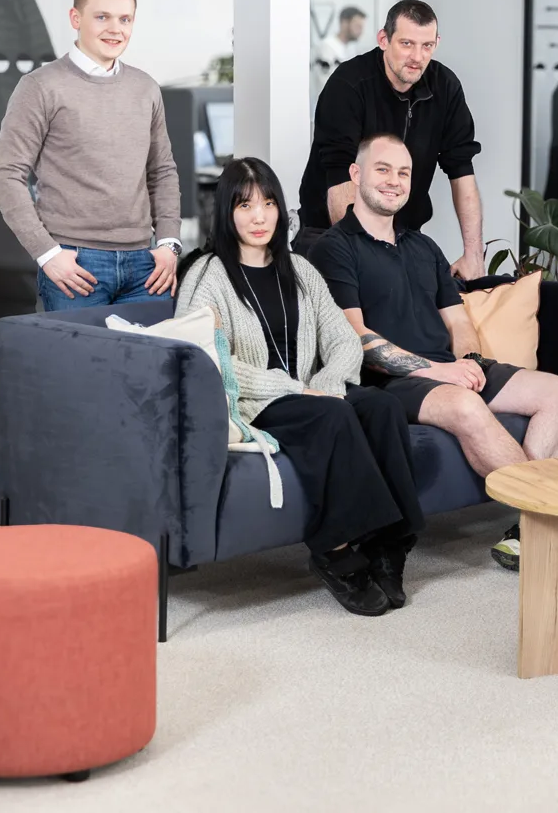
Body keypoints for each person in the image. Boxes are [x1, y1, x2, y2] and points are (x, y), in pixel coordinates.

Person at [307, 133, 558, 572]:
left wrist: (468, 361)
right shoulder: (334, 248)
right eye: (383, 169)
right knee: (468, 408)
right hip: (389, 382)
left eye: (403, 172)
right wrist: (440, 372)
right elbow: (356, 338)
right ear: (356, 175)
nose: (394, 181)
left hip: (448, 369)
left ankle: (530, 530)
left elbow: (457, 321)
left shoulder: (423, 246)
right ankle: (550, 519)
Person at [177, 158, 424, 617]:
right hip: (255, 402)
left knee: (382, 408)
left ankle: (390, 547)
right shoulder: (207, 276)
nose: (259, 216)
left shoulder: (301, 271)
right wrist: (290, 388)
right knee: (333, 416)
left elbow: (344, 340)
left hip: (313, 393)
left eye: (268, 204)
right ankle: (336, 552)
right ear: (226, 213)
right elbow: (205, 357)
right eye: (245, 205)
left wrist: (328, 382)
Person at [0, 0, 181, 310]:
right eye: (102, 17)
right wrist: (47, 254)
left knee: (145, 364)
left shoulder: (146, 88)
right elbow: (6, 176)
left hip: (145, 266)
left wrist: (169, 243)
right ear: (75, 18)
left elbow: (162, 171)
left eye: (125, 19)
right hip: (74, 266)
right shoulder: (40, 87)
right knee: (78, 364)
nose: (115, 29)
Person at [296, 0, 486, 282]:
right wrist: (365, 260)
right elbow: (340, 182)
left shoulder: (445, 87)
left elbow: (462, 170)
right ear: (383, 39)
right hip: (330, 233)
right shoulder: (347, 86)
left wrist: (473, 255)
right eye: (407, 44)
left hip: (403, 234)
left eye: (427, 46)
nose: (417, 57)